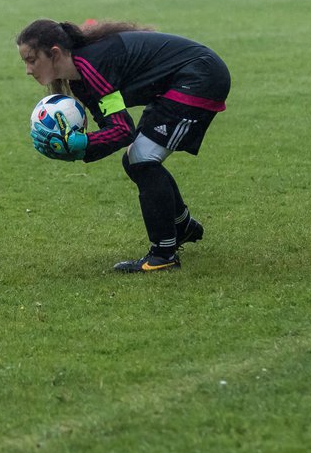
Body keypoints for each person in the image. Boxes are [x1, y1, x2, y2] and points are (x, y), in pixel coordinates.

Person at [17, 18, 231, 273]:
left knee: (141, 159)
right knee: (136, 160)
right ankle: (182, 227)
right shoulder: (80, 80)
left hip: (201, 78)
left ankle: (164, 255)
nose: (28, 70)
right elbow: (113, 129)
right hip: (181, 81)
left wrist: (82, 145)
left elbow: (122, 131)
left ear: (54, 53)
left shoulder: (93, 66)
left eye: (32, 60)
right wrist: (79, 150)